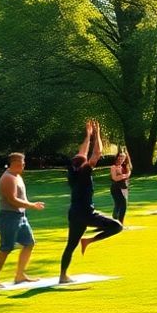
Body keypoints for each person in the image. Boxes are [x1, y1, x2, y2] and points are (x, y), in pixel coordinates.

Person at [61, 120, 123, 284]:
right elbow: (97, 153)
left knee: (70, 246)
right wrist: (98, 133)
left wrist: (88, 135)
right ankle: (89, 241)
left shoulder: (73, 171)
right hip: (87, 213)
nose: (83, 154)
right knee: (117, 226)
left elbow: (82, 152)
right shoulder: (84, 172)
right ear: (83, 164)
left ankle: (63, 276)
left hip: (74, 213)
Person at [0, 153, 45, 289]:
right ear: (12, 163)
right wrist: (32, 205)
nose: (22, 165)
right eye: (19, 163)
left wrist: (28, 206)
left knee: (29, 243)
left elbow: (20, 198)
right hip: (9, 217)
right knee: (6, 249)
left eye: (23, 163)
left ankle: (19, 275)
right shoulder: (8, 178)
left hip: (21, 216)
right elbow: (12, 200)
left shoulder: (17, 176)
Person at [110, 150, 132, 224]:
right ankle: (118, 223)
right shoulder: (113, 167)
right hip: (116, 188)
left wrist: (122, 175)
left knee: (120, 205)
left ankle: (117, 222)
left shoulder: (125, 166)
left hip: (124, 188)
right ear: (117, 157)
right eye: (120, 157)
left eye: (123, 157)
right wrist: (123, 176)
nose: (121, 159)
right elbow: (115, 178)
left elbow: (129, 173)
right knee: (121, 205)